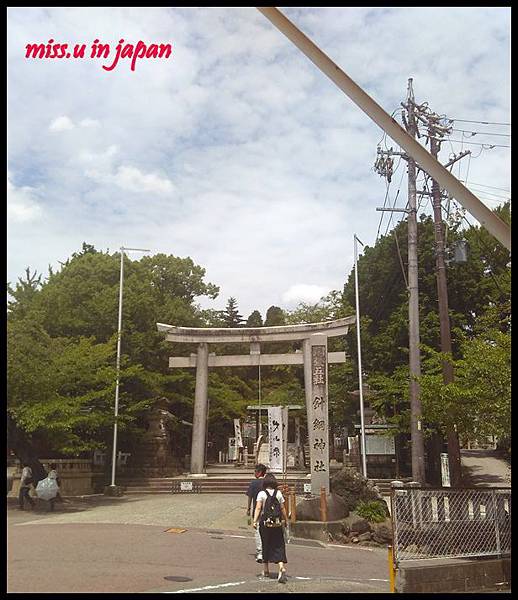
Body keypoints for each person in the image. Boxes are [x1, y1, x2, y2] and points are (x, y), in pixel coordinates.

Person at [253, 473, 288, 584]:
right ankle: (281, 567)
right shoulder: (279, 494)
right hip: (277, 523)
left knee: (265, 544)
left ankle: (266, 570)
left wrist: (254, 521)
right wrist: (286, 520)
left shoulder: (262, 494)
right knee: (278, 544)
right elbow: (282, 508)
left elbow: (258, 508)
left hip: (265, 523)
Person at [246, 464, 267, 563]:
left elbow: (250, 496)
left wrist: (248, 508)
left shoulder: (254, 483)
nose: (254, 473)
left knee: (258, 531)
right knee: (267, 531)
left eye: (255, 471)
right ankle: (267, 551)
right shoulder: (268, 482)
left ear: (259, 472)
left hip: (257, 510)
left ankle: (260, 552)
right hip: (268, 511)